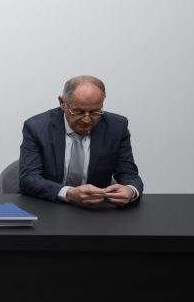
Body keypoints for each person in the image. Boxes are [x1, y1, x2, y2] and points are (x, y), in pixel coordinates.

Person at [19, 75, 142, 206]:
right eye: (78, 111)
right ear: (62, 102)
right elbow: (29, 179)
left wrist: (131, 191)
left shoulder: (117, 127)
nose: (87, 120)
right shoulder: (37, 128)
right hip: (50, 206)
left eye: (95, 112)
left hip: (96, 209)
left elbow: (128, 174)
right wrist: (68, 193)